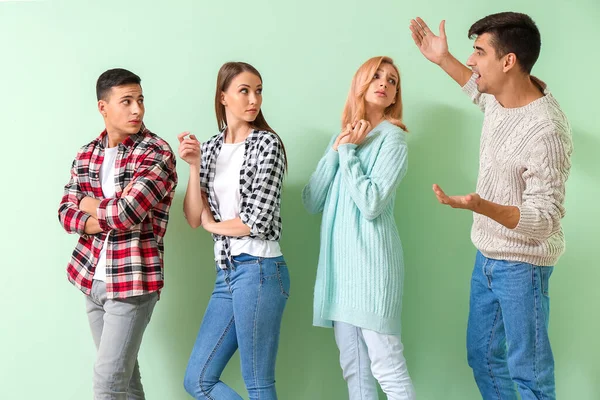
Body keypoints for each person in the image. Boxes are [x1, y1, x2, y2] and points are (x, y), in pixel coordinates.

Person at [409, 12, 572, 399]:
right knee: (482, 358)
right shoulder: (500, 98)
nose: (471, 60)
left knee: (530, 374)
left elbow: (544, 220)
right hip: (486, 257)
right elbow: (473, 86)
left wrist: (483, 206)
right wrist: (440, 57)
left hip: (523, 266)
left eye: (479, 52)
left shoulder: (546, 130)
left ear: (508, 61)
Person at [58, 68, 178, 399]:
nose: (137, 109)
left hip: (132, 283)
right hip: (91, 279)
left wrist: (86, 203)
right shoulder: (87, 153)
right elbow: (65, 214)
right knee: (125, 381)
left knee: (108, 382)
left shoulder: (157, 152)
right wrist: (98, 209)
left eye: (140, 100)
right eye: (126, 101)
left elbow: (126, 214)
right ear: (103, 107)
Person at [302, 56, 416, 400]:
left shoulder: (392, 140)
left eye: (392, 80)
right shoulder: (343, 139)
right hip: (341, 275)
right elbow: (311, 200)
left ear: (395, 96)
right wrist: (338, 150)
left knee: (388, 367)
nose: (384, 83)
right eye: (376, 76)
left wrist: (349, 154)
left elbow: (371, 204)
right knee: (356, 371)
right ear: (360, 85)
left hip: (371, 270)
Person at [179, 61, 289, 400]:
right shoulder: (210, 148)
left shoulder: (268, 145)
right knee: (198, 380)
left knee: (258, 382)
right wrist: (195, 166)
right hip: (226, 272)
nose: (253, 99)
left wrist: (214, 224)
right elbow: (193, 217)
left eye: (258, 91)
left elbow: (256, 221)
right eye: (244, 91)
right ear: (223, 96)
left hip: (259, 269)